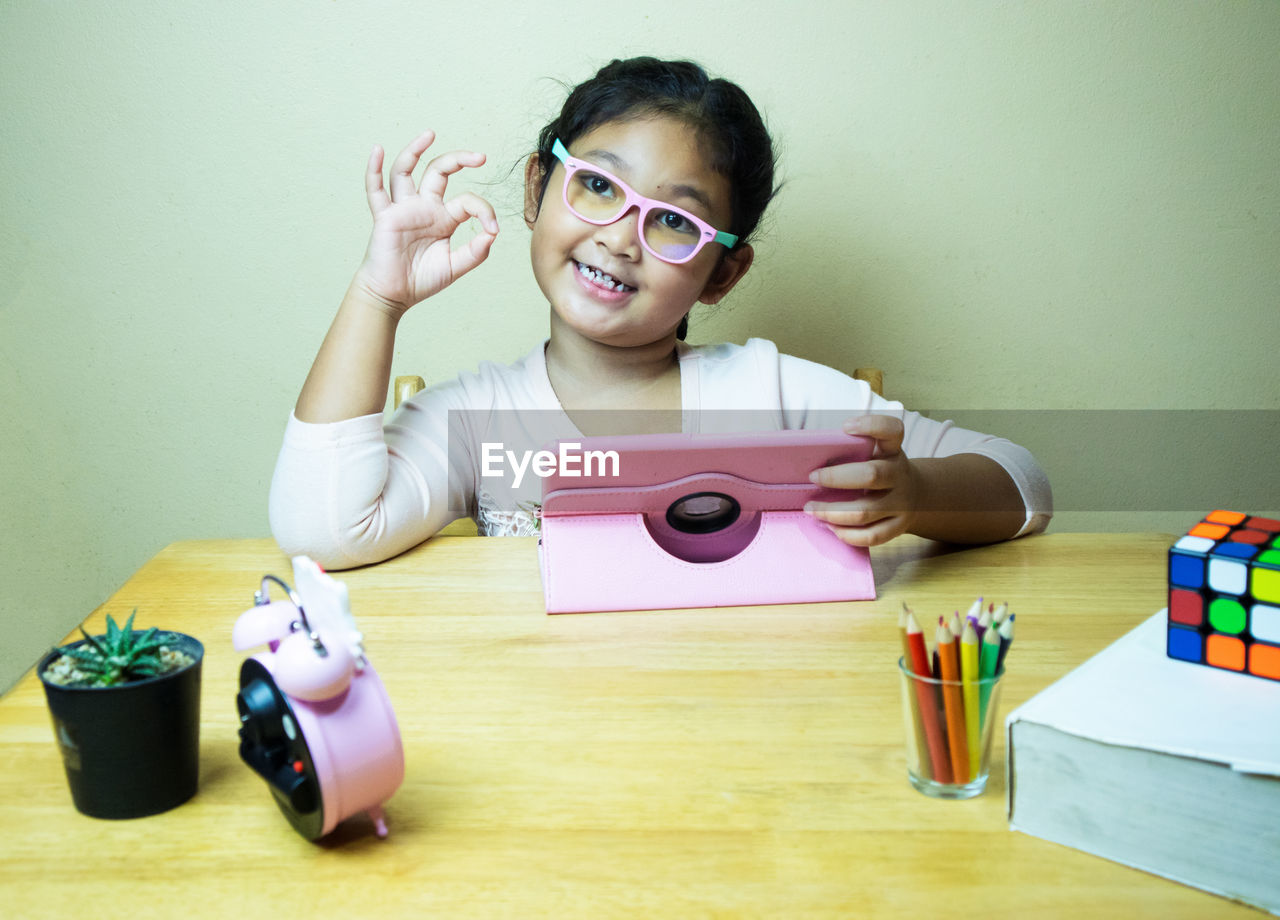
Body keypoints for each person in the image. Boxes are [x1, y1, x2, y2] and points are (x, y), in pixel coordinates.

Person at [270, 57, 1051, 570]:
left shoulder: (768, 394)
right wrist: (378, 296)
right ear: (539, 188)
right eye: (600, 187)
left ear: (723, 273)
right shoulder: (482, 421)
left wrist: (912, 493)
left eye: (675, 221)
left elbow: (1025, 483)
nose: (620, 239)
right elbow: (322, 530)